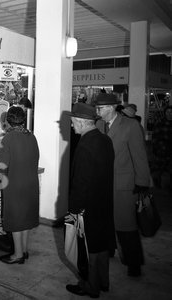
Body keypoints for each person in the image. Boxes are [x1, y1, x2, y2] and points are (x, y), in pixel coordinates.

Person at [94, 93, 150, 277]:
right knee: (106, 222)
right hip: (103, 184)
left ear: (111, 108)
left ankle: (134, 263)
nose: (97, 111)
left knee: (126, 226)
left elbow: (139, 157)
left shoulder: (131, 126)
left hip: (124, 186)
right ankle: (109, 250)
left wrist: (142, 183)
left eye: (100, 108)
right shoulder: (99, 125)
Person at [65, 103, 116, 298]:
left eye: (72, 123)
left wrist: (74, 210)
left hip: (87, 207)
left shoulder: (85, 145)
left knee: (89, 249)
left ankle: (91, 286)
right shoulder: (105, 140)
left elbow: (81, 182)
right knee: (102, 245)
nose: (71, 126)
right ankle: (103, 281)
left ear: (81, 122)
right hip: (104, 201)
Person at [0, 106, 39, 264]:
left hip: (15, 184)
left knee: (16, 220)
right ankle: (24, 250)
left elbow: (3, 164)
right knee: (25, 218)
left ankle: (17, 255)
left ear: (8, 121)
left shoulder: (9, 138)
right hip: (30, 182)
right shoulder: (31, 136)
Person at [151, 105, 172, 190]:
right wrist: (157, 149)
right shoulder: (160, 122)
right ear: (165, 113)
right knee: (158, 170)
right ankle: (157, 186)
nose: (170, 114)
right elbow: (155, 137)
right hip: (162, 150)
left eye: (171, 112)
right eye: (168, 112)